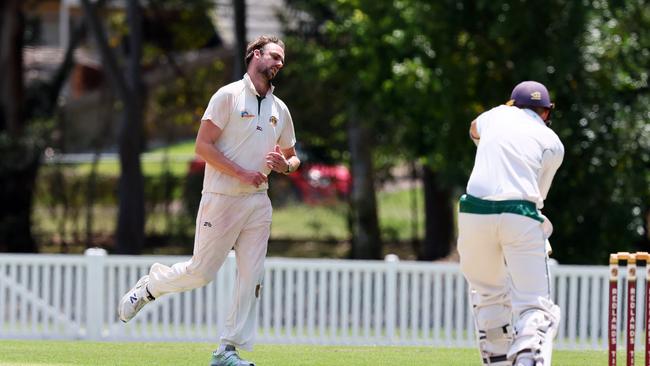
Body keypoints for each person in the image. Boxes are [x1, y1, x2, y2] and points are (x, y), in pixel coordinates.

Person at [117, 35, 299, 366]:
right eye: (274, 56)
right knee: (202, 272)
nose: (279, 63)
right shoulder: (227, 96)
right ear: (255, 55)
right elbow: (203, 147)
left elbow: (292, 156)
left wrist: (285, 166)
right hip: (222, 198)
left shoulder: (279, 109)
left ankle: (226, 351)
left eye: (282, 60)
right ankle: (150, 286)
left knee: (252, 276)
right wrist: (242, 173)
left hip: (258, 201)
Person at [457, 81, 564, 366]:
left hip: (472, 213)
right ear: (546, 111)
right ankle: (528, 356)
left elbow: (473, 129)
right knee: (535, 307)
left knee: (488, 296)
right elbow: (537, 197)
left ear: (512, 103)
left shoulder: (495, 115)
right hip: (520, 212)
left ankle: (500, 357)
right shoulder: (553, 142)